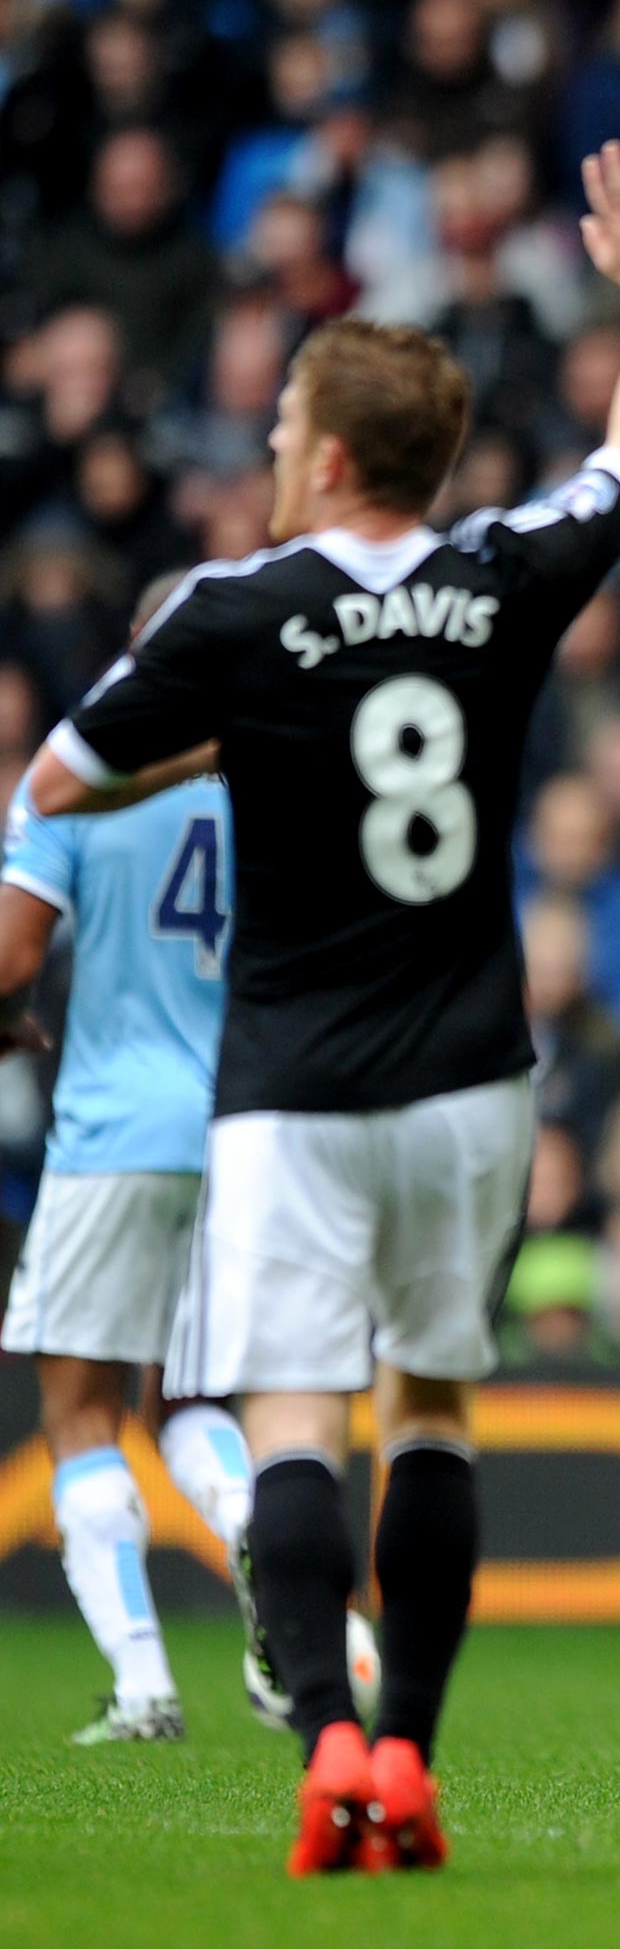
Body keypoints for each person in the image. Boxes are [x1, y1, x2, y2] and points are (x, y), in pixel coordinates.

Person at [25, 140, 620, 1872]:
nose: (259, 455)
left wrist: (229, 736)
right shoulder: (501, 576)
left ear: (321, 452)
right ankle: (413, 1754)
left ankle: (329, 1747)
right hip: (474, 1072)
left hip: (292, 1086)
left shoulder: (237, 614)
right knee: (436, 1408)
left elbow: (62, 776)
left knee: (295, 1414)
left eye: (274, 434)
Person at [0, 571, 256, 1744]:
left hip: (112, 1130)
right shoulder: (279, 775)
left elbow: (9, 955)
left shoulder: (79, 773)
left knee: (82, 1410)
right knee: (192, 1396)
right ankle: (258, 1541)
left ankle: (146, 1682)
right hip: (241, 1129)